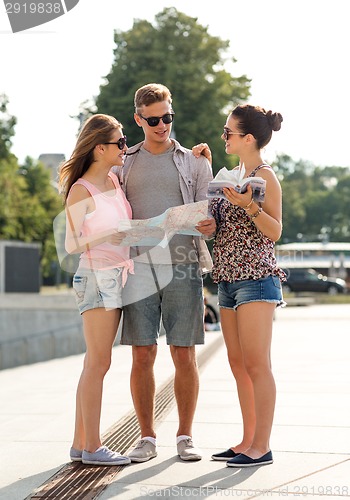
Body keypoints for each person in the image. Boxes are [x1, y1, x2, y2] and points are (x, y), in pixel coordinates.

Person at [114, 83, 216, 462]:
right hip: (137, 268)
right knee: (142, 354)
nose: (162, 125)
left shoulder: (195, 161)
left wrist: (210, 224)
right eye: (154, 120)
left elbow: (213, 210)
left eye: (168, 117)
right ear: (138, 119)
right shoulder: (122, 162)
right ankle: (146, 438)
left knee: (184, 353)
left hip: (184, 266)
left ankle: (186, 437)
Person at [209, 104, 286, 467]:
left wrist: (250, 207)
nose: (224, 136)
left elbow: (275, 231)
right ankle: (247, 440)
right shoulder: (233, 173)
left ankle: (263, 446)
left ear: (249, 138)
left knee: (257, 365)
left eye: (229, 133)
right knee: (238, 364)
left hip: (256, 278)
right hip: (227, 278)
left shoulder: (265, 177)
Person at [58, 114, 133, 466]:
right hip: (96, 277)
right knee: (98, 363)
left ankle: (80, 443)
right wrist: (110, 234)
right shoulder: (81, 190)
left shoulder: (115, 181)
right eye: (119, 142)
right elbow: (72, 244)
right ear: (100, 148)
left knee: (96, 362)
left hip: (117, 275)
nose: (125, 146)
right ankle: (93, 446)